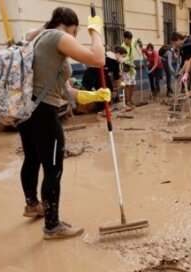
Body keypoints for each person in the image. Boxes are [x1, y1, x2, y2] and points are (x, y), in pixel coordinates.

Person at [22, 7, 110, 239]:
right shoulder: (58, 37)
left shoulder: (40, 38)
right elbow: (99, 59)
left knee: (32, 159)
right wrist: (96, 32)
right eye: (77, 31)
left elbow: (61, 91)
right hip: (43, 113)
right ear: (71, 27)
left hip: (27, 109)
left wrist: (91, 96)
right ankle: (52, 226)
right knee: (53, 169)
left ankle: (33, 205)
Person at [81, 46, 127, 111]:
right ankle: (100, 109)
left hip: (89, 74)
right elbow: (116, 78)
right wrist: (121, 83)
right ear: (118, 54)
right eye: (123, 56)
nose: (124, 59)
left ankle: (85, 108)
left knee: (87, 92)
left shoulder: (106, 54)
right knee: (106, 90)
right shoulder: (114, 62)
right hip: (96, 75)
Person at [121, 31, 140, 109]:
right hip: (126, 69)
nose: (130, 41)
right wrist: (131, 64)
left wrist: (140, 42)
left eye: (130, 40)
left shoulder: (132, 41)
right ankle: (127, 102)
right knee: (127, 85)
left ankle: (130, 100)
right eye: (128, 40)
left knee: (132, 85)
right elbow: (123, 60)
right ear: (125, 39)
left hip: (132, 69)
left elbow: (137, 40)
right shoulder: (122, 47)